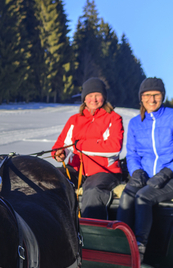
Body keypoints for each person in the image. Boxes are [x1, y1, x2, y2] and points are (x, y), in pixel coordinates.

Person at [117, 77, 173, 259]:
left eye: (156, 95)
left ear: (163, 96)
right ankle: (120, 244)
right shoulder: (136, 123)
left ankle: (140, 248)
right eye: (147, 95)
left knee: (143, 197)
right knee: (127, 196)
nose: (152, 99)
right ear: (141, 98)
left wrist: (167, 172)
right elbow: (132, 153)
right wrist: (136, 171)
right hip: (147, 176)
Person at [52, 77, 124, 219]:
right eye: (90, 95)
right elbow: (63, 144)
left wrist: (81, 145)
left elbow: (114, 148)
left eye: (98, 95)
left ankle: (91, 234)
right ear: (84, 98)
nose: (94, 99)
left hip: (105, 171)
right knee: (50, 178)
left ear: (104, 97)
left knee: (92, 191)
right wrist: (59, 153)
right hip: (76, 170)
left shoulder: (113, 118)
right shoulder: (75, 119)